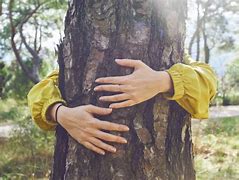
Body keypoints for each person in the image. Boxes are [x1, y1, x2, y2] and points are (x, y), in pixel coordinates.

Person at [27, 53, 217, 155]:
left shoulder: (175, 53)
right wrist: (59, 113)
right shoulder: (80, 56)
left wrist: (164, 80)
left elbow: (208, 81)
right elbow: (41, 89)